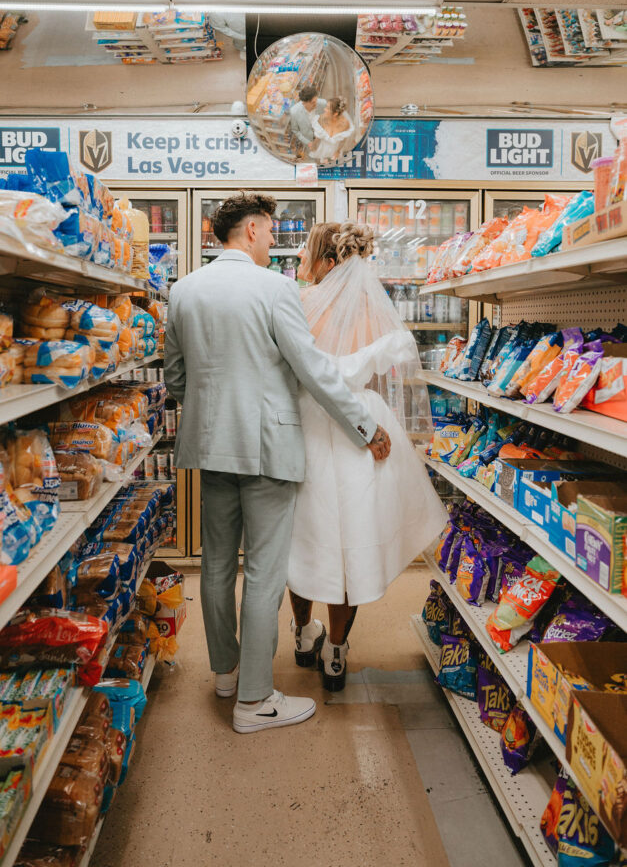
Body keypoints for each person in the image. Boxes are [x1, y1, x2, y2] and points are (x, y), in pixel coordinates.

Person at [164, 192, 391, 734]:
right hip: (268, 448)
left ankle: (225, 675)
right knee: (265, 573)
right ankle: (255, 701)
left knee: (217, 566)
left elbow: (175, 380)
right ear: (250, 231)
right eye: (269, 232)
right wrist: (364, 425)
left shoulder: (183, 290)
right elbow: (312, 369)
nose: (273, 240)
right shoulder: (275, 288)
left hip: (208, 447)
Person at [287, 221, 448, 691]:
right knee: (351, 544)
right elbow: (381, 381)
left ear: (329, 263)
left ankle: (302, 635)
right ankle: (336, 652)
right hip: (366, 431)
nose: (300, 263)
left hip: (310, 432)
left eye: (307, 255)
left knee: (303, 540)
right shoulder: (375, 312)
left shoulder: (298, 306)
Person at [309, 96, 356, 163]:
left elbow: (343, 139)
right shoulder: (321, 119)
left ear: (335, 114)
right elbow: (318, 136)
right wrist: (314, 145)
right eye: (326, 107)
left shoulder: (345, 124)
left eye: (328, 108)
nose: (324, 109)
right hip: (322, 151)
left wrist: (338, 151)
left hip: (335, 153)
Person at [289, 85, 326, 154]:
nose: (316, 104)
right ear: (304, 103)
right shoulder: (294, 112)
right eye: (313, 102)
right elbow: (295, 130)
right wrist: (308, 143)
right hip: (309, 140)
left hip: (323, 137)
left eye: (316, 100)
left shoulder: (323, 103)